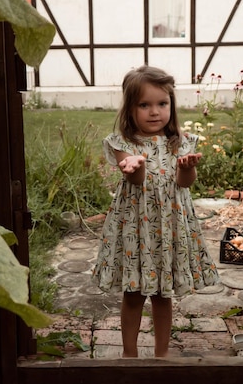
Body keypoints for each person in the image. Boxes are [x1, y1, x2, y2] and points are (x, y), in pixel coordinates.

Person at [91, 65, 220, 358]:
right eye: (144, 105)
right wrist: (133, 167)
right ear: (130, 109)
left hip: (169, 227)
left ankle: (162, 355)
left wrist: (188, 169)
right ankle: (129, 354)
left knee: (163, 295)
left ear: (171, 105)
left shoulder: (181, 143)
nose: (154, 112)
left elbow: (183, 184)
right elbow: (135, 181)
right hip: (136, 229)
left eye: (162, 103)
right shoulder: (124, 143)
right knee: (133, 294)